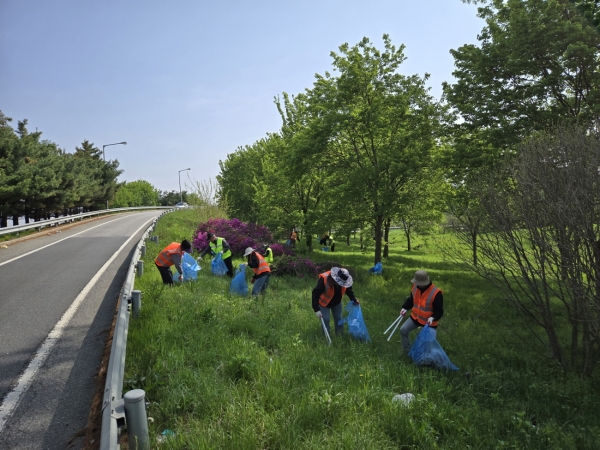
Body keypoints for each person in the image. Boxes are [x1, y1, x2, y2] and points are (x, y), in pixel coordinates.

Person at [399, 270, 444, 353]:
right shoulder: (415, 287)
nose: (417, 284)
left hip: (429, 322)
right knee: (403, 330)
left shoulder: (436, 293)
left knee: (429, 343)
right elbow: (411, 300)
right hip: (415, 317)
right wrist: (405, 308)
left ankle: (427, 356)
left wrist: (433, 318)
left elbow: (439, 310)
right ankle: (407, 351)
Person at [312, 267, 359, 335]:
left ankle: (339, 335)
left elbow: (349, 290)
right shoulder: (324, 279)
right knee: (326, 319)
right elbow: (315, 294)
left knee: (339, 319)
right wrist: (316, 309)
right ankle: (326, 335)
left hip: (337, 302)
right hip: (324, 303)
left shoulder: (345, 278)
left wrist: (354, 299)